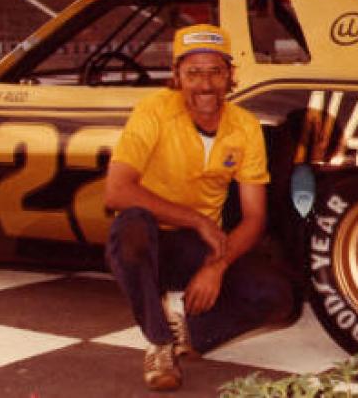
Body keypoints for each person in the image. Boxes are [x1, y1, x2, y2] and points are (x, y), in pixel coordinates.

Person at [103, 24, 294, 391]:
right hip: (152, 239)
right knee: (131, 226)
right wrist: (196, 219)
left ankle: (188, 332)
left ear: (230, 75)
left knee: (279, 295)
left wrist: (216, 266)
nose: (205, 85)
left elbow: (254, 217)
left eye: (215, 72)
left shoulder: (245, 126)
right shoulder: (154, 110)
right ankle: (160, 343)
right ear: (176, 76)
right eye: (193, 73)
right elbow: (116, 191)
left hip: (200, 247)